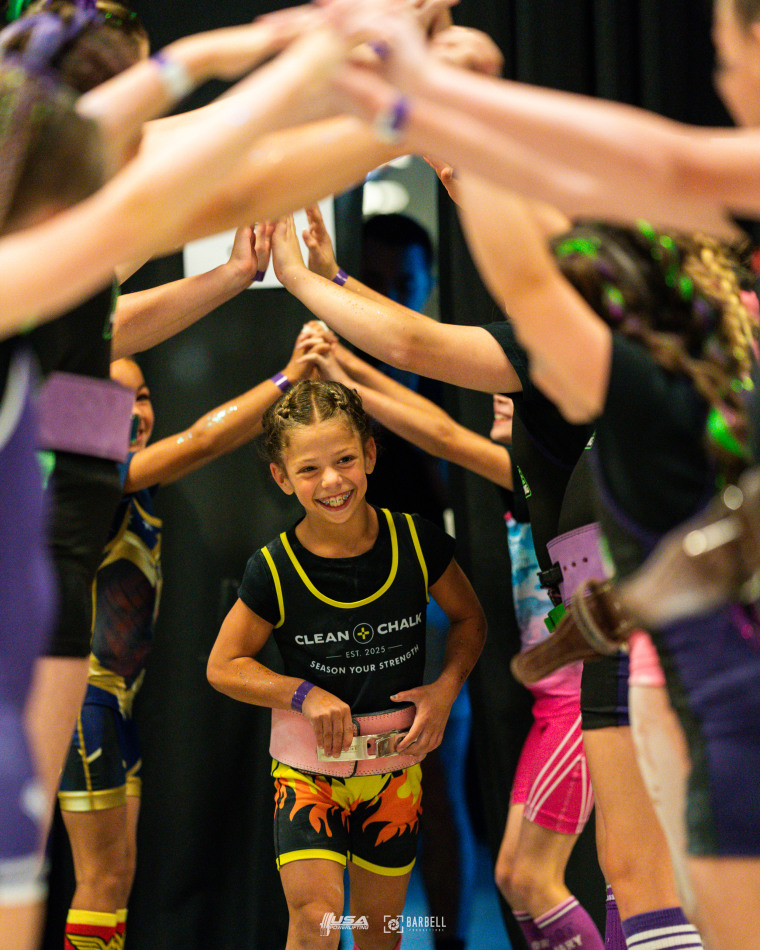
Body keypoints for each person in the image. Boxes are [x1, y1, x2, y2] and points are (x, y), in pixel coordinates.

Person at [453, 167, 757, 950]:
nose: (534, 380)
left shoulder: (663, 400)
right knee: (652, 882)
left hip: (708, 689)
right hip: (664, 677)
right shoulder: (675, 399)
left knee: (694, 897)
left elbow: (537, 281)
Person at [303, 327, 604, 950]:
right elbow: (436, 420)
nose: (502, 400)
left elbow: (439, 434)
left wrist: (344, 370)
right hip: (557, 704)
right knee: (520, 877)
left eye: (518, 399)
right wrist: (343, 366)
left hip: (584, 699)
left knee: (550, 878)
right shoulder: (525, 484)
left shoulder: (554, 472)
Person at [56, 332, 321, 950]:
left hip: (113, 704)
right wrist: (287, 377)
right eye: (116, 400)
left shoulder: (132, 480)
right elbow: (203, 439)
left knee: (115, 879)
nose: (137, 413)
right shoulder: (89, 477)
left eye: (144, 397)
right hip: (80, 699)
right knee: (98, 879)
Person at [207, 379, 486, 950]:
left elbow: (471, 621)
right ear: (282, 478)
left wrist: (444, 689)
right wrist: (302, 693)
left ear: (371, 455)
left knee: (380, 935)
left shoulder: (416, 542)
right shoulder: (275, 568)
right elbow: (223, 665)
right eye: (309, 470)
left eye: (345, 460)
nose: (332, 481)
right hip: (307, 778)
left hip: (395, 773)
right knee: (316, 924)